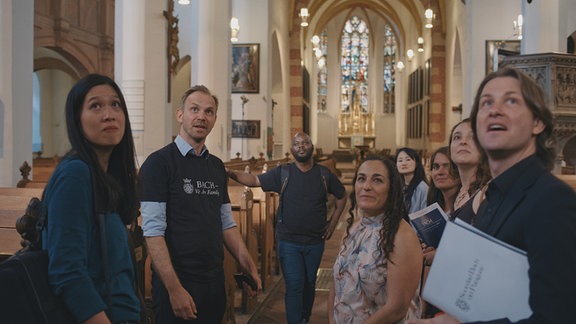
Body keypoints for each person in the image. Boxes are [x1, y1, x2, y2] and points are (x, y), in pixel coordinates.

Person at [407, 67, 576, 324]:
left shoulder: (552, 200)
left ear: (537, 122)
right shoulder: (491, 200)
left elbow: (559, 317)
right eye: (486, 103)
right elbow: (489, 299)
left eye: (511, 100)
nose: (494, 110)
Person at [139, 85, 261, 323]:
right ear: (180, 114)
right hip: (177, 282)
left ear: (214, 119)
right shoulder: (158, 164)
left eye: (209, 111)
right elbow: (153, 233)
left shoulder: (216, 167)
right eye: (194, 109)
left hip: (213, 281)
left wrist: (249, 266)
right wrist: (174, 290)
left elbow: (226, 224)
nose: (201, 116)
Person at [42, 74, 141, 323]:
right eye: (95, 106)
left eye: (115, 104)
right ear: (77, 119)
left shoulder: (106, 179)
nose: (109, 114)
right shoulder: (75, 175)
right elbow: (67, 273)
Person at [228, 132, 347, 324]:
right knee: (294, 284)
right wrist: (231, 173)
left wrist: (332, 224)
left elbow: (342, 196)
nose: (301, 146)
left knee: (309, 284)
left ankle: (305, 316)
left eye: (305, 142)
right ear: (292, 149)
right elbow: (255, 181)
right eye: (297, 143)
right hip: (288, 241)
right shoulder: (283, 172)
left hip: (315, 241)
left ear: (311, 147)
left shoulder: (324, 174)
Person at [329, 156, 422, 323]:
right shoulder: (353, 228)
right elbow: (336, 283)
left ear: (391, 188)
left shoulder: (402, 236)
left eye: (377, 180)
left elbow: (397, 308)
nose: (366, 186)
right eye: (361, 179)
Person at [448, 119, 490, 214]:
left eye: (472, 137)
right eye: (457, 137)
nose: (463, 142)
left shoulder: (489, 192)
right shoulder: (457, 191)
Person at [426, 146, 460, 216]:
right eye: (436, 167)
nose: (440, 172)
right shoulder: (433, 206)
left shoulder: (467, 206)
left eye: (447, 166)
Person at [396, 147, 429, 214]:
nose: (403, 163)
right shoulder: (398, 186)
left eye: (408, 159)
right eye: (400, 160)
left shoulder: (422, 188)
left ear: (416, 163)